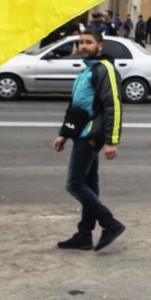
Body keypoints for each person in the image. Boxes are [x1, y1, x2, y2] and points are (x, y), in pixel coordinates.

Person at [51, 29, 125, 252]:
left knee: (74, 184)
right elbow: (77, 108)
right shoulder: (87, 71)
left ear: (99, 46)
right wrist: (64, 133)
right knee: (89, 186)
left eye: (88, 42)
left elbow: (114, 105)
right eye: (81, 42)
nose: (83, 46)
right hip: (80, 134)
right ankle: (84, 234)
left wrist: (112, 140)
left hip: (91, 137)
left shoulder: (105, 70)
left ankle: (109, 223)